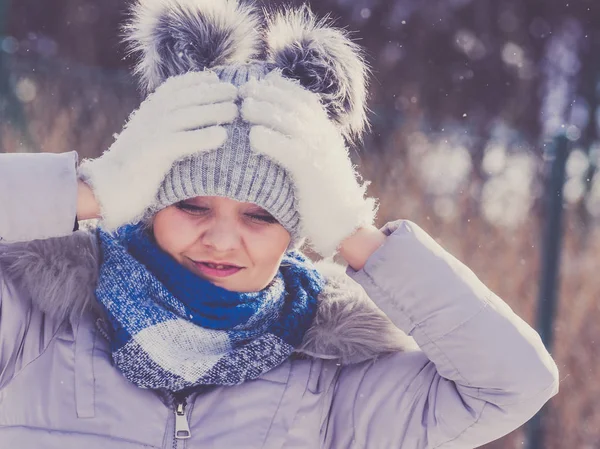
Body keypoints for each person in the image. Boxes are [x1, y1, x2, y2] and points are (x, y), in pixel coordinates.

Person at [0, 1, 558, 448]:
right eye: (191, 206)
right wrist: (89, 192)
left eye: (260, 216)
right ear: (144, 200)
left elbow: (513, 386)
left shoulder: (337, 381)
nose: (220, 239)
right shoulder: (35, 318)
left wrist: (356, 235)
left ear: (301, 224)